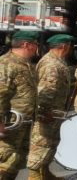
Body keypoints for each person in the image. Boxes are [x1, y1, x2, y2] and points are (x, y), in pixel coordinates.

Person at [28, 34, 76, 180]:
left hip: (54, 113)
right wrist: (43, 113)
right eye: (70, 45)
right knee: (41, 144)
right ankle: (34, 176)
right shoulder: (52, 64)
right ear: (63, 46)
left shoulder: (57, 61)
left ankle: (45, 174)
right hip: (47, 113)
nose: (71, 48)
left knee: (50, 144)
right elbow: (46, 91)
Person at [0, 31, 39, 179]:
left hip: (23, 124)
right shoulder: (6, 64)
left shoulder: (26, 65)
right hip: (9, 125)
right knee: (5, 161)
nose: (37, 48)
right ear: (26, 44)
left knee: (15, 162)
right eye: (35, 44)